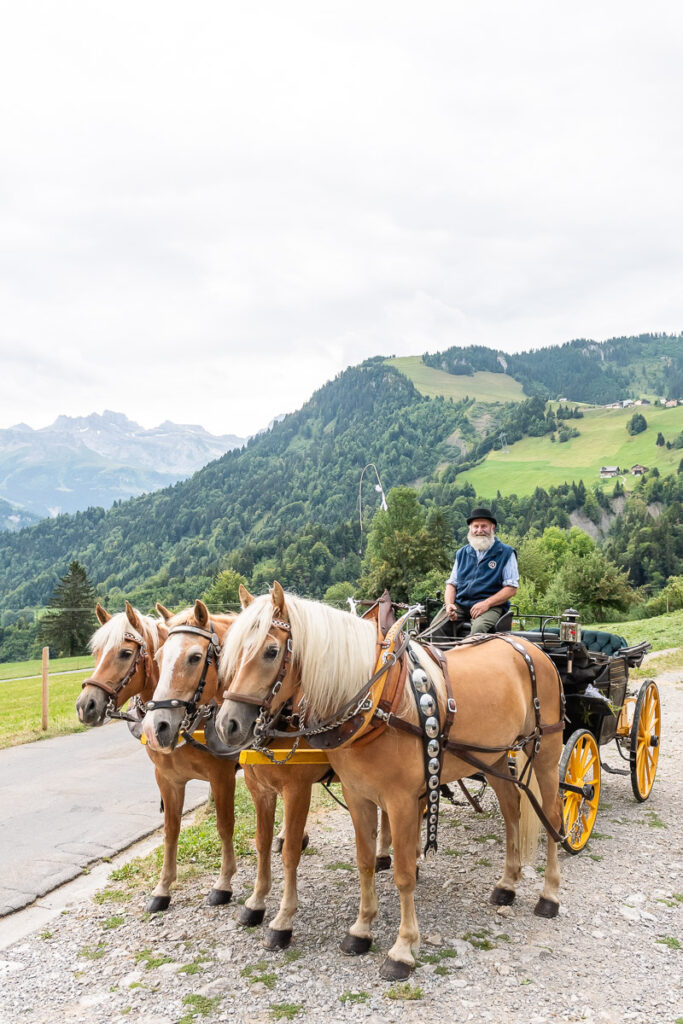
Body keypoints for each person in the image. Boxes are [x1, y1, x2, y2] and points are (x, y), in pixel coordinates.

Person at [436, 507, 518, 638]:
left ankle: (469, 658)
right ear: (470, 529)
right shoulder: (462, 553)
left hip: (491, 606)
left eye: (484, 526)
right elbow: (451, 584)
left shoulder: (506, 553)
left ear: (492, 528)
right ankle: (443, 658)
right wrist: (449, 605)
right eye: (476, 526)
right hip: (461, 605)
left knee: (478, 630)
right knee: (436, 627)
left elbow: (511, 588)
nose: (479, 530)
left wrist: (487, 603)